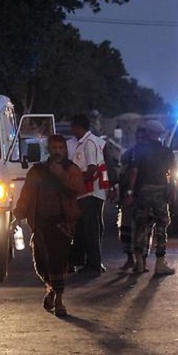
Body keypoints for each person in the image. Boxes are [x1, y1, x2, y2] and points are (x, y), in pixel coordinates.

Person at [14, 134, 85, 317]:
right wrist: (19, 215)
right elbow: (27, 195)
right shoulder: (37, 171)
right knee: (41, 263)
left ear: (65, 150)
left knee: (58, 261)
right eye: (54, 148)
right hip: (40, 223)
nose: (58, 152)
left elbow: (77, 189)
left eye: (61, 148)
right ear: (48, 150)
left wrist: (61, 175)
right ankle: (51, 289)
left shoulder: (71, 170)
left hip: (62, 223)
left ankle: (59, 300)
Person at [125, 120, 176, 275]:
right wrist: (171, 189)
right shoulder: (167, 152)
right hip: (160, 192)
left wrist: (130, 192)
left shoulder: (139, 151)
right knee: (161, 226)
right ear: (160, 134)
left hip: (143, 192)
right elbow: (171, 174)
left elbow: (134, 172)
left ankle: (139, 262)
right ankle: (160, 263)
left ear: (148, 133)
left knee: (141, 225)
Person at [68, 114, 108, 277]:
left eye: (73, 128)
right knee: (87, 229)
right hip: (88, 193)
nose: (72, 131)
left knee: (91, 230)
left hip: (90, 192)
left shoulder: (89, 143)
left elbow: (92, 167)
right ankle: (89, 262)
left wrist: (79, 183)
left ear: (79, 127)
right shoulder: (85, 142)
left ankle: (94, 264)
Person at [114, 126, 148, 271]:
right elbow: (122, 176)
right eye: (138, 138)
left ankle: (142, 261)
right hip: (129, 198)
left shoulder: (150, 155)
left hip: (144, 198)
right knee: (126, 229)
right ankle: (130, 259)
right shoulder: (129, 154)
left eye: (143, 138)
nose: (140, 141)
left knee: (144, 230)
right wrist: (123, 195)